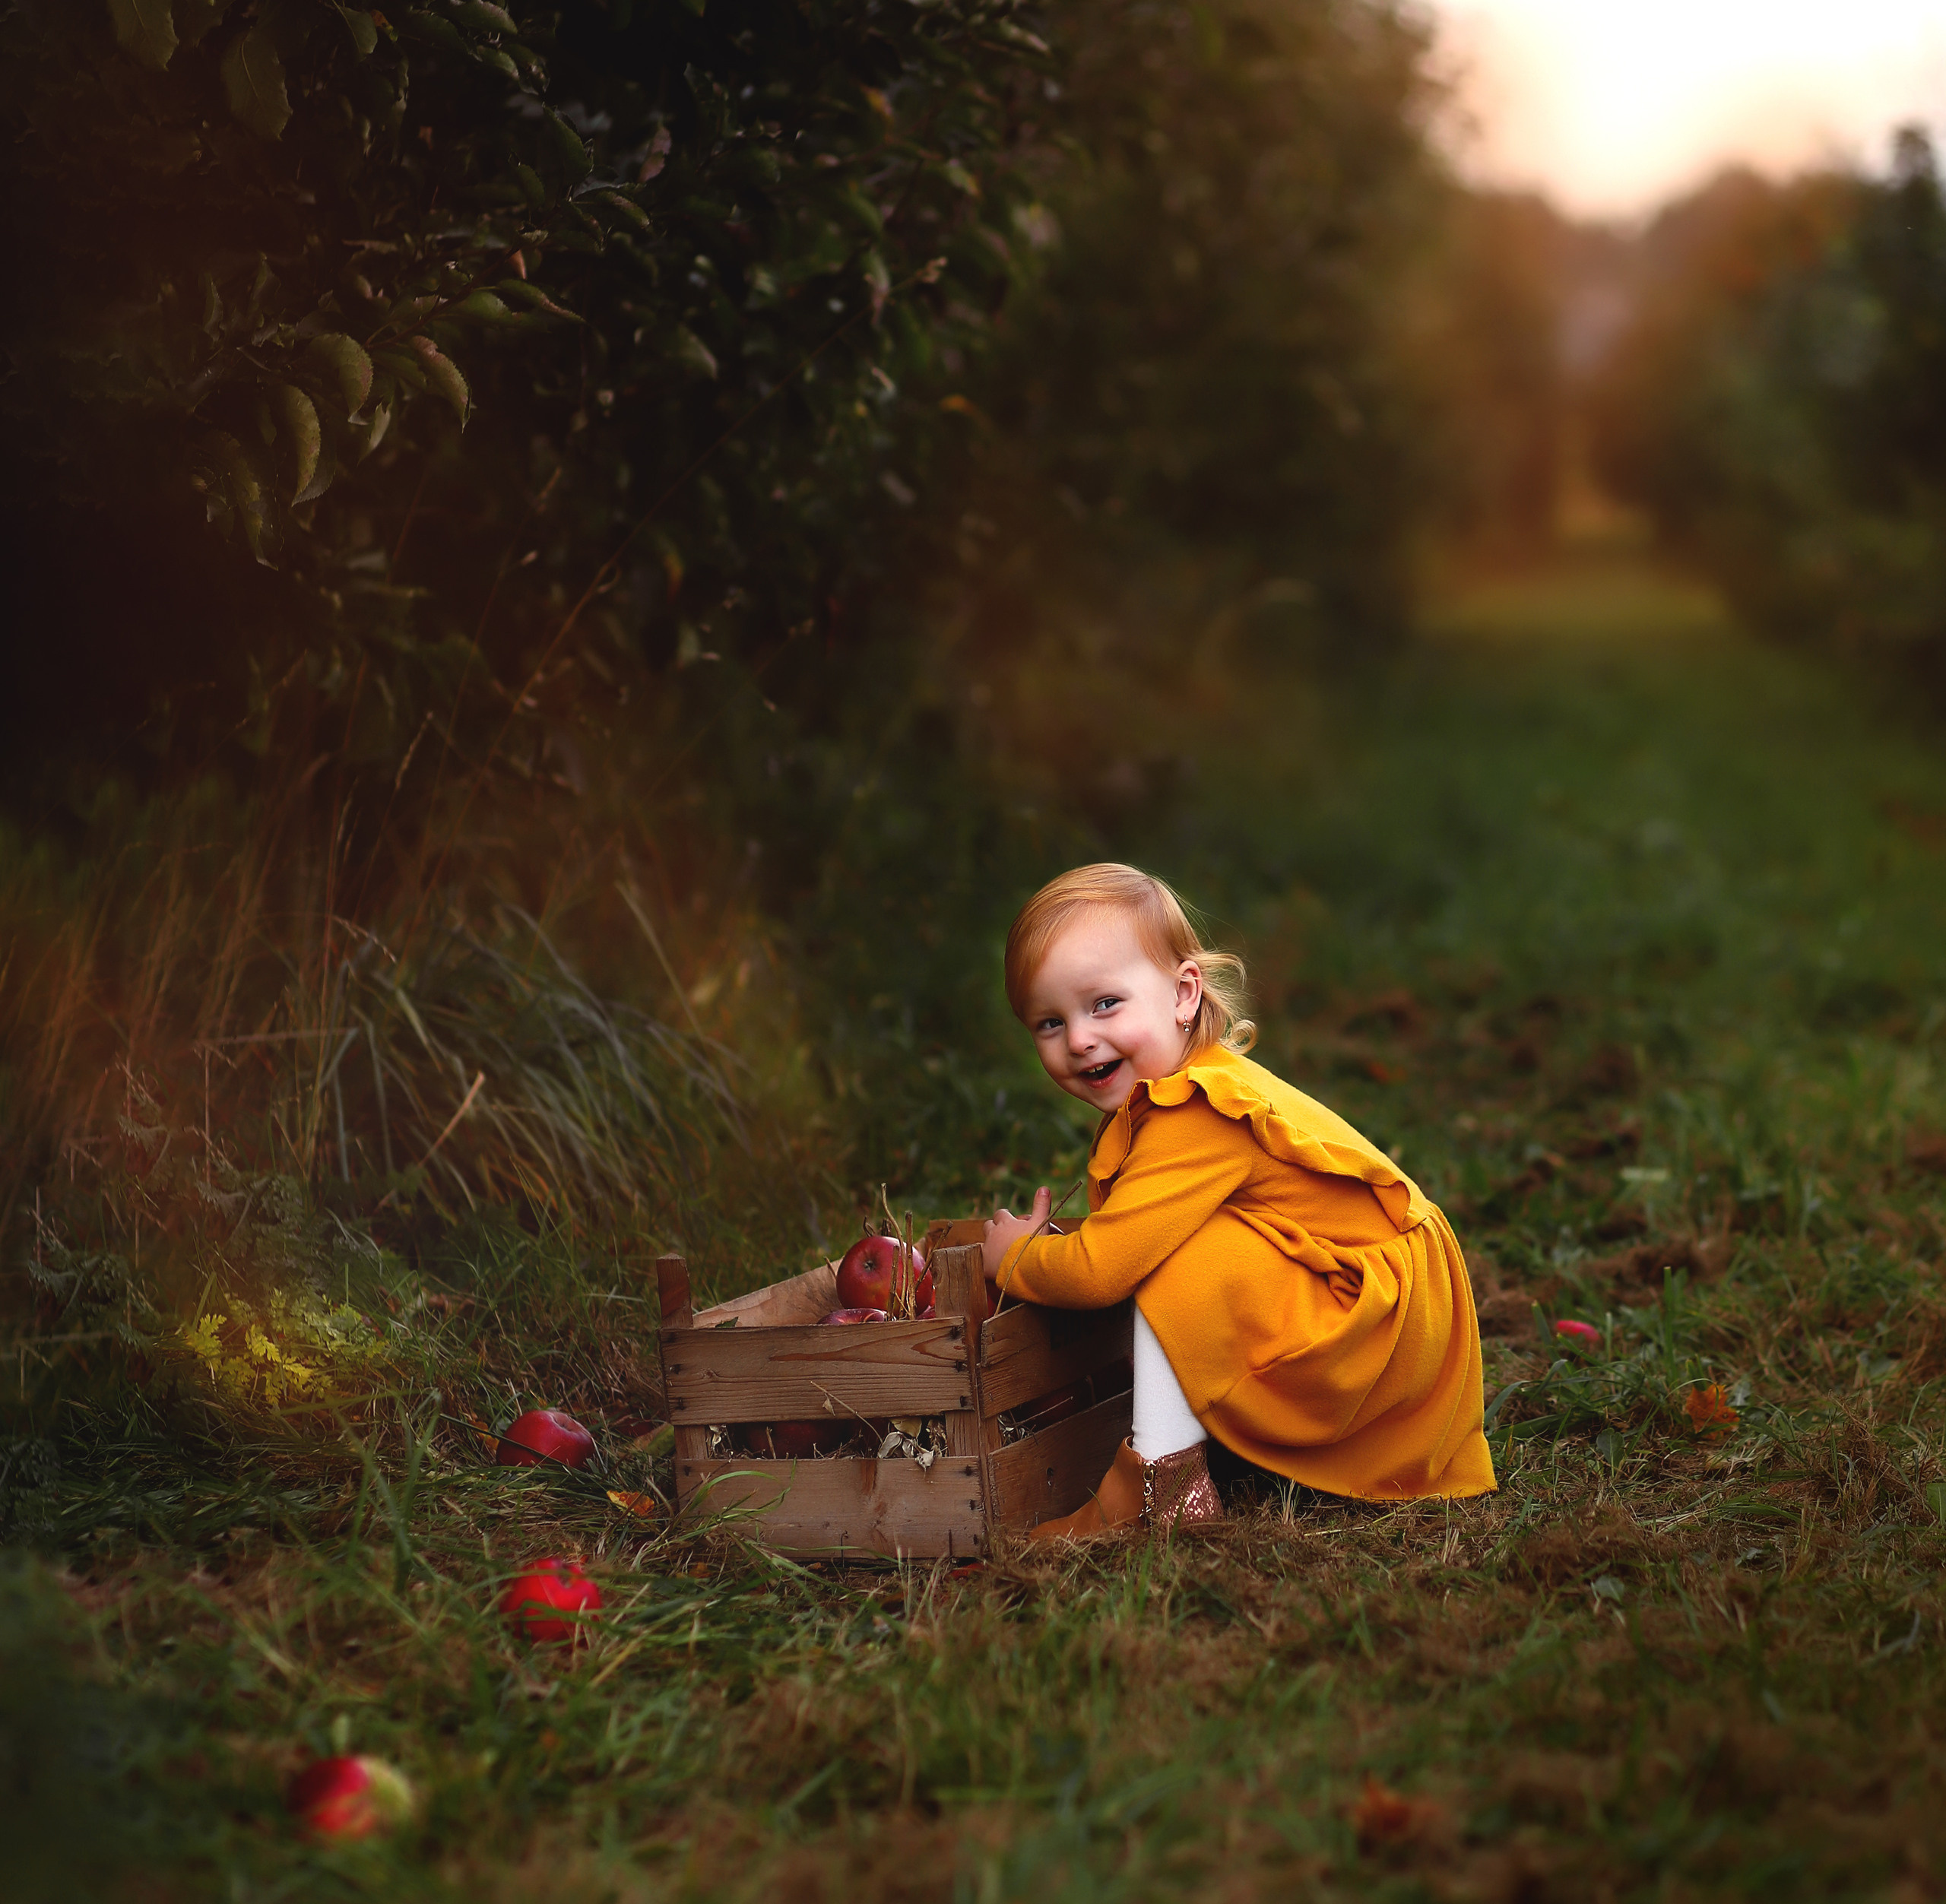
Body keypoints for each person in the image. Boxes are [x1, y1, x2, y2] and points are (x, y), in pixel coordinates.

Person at [981, 863, 1495, 1537]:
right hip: (1366, 1296)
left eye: (1104, 1003)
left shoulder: (1195, 1112)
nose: (1079, 1038)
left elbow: (1105, 1268)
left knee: (1172, 1259)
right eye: (1050, 1022)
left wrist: (1018, 1259)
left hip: (1378, 1325)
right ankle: (1203, 1446)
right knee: (1174, 1242)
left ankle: (1161, 1487)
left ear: (1183, 994)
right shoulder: (1181, 1088)